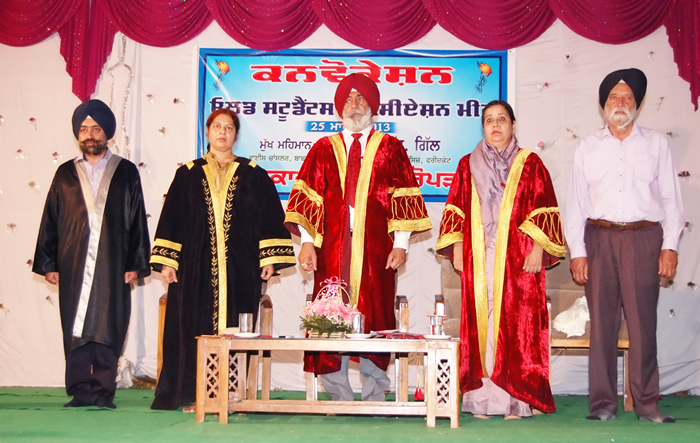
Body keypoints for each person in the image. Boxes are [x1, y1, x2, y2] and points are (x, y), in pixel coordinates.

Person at [285, 73, 432, 401]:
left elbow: (403, 197)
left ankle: (374, 395)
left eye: (361, 98)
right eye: (349, 99)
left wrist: (401, 244)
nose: (354, 104)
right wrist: (307, 242)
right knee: (330, 314)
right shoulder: (323, 148)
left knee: (376, 313)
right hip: (331, 248)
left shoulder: (390, 147)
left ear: (372, 106)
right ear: (340, 107)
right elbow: (308, 199)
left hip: (377, 248)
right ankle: (338, 395)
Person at [150, 108, 295, 411]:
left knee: (235, 329)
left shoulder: (253, 174)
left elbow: (269, 219)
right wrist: (168, 262)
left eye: (229, 128)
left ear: (235, 134)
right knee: (193, 327)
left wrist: (268, 259)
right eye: (217, 126)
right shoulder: (187, 174)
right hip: (194, 269)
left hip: (240, 269)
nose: (223, 132)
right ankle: (195, 394)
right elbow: (172, 220)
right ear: (208, 131)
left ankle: (230, 393)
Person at [564, 68, 684, 423]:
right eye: (614, 97)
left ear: (637, 104)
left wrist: (670, 246)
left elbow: (671, 200)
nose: (621, 103)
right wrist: (578, 252)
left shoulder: (656, 144)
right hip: (599, 239)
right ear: (604, 105)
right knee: (602, 325)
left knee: (643, 324)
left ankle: (647, 404)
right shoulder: (588, 146)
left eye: (628, 97)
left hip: (644, 239)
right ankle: (603, 404)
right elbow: (576, 205)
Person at [436, 100, 565, 419]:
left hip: (518, 258)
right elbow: (456, 207)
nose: (495, 125)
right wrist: (457, 246)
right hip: (478, 254)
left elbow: (544, 206)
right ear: (483, 127)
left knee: (514, 326)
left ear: (513, 124)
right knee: (482, 324)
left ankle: (516, 400)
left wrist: (538, 249)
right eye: (489, 120)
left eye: (502, 119)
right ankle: (482, 401)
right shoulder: (467, 164)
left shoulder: (530, 163)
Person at [33, 99, 151, 409]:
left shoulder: (126, 172)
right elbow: (51, 219)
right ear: (77, 134)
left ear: (106, 133)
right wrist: (49, 263)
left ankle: (102, 392)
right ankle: (80, 391)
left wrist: (136, 263)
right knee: (76, 326)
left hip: (114, 262)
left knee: (108, 325)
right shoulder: (64, 174)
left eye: (96, 129)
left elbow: (137, 219)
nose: (89, 135)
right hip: (73, 262)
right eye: (84, 129)